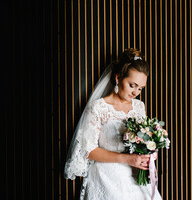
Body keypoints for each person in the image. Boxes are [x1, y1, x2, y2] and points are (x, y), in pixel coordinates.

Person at [64, 48, 162, 200]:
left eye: (141, 88)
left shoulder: (139, 106)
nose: (136, 92)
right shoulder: (99, 107)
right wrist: (127, 159)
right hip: (106, 178)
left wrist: (148, 153)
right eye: (132, 85)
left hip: (135, 177)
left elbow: (142, 141)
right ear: (118, 78)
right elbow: (87, 150)